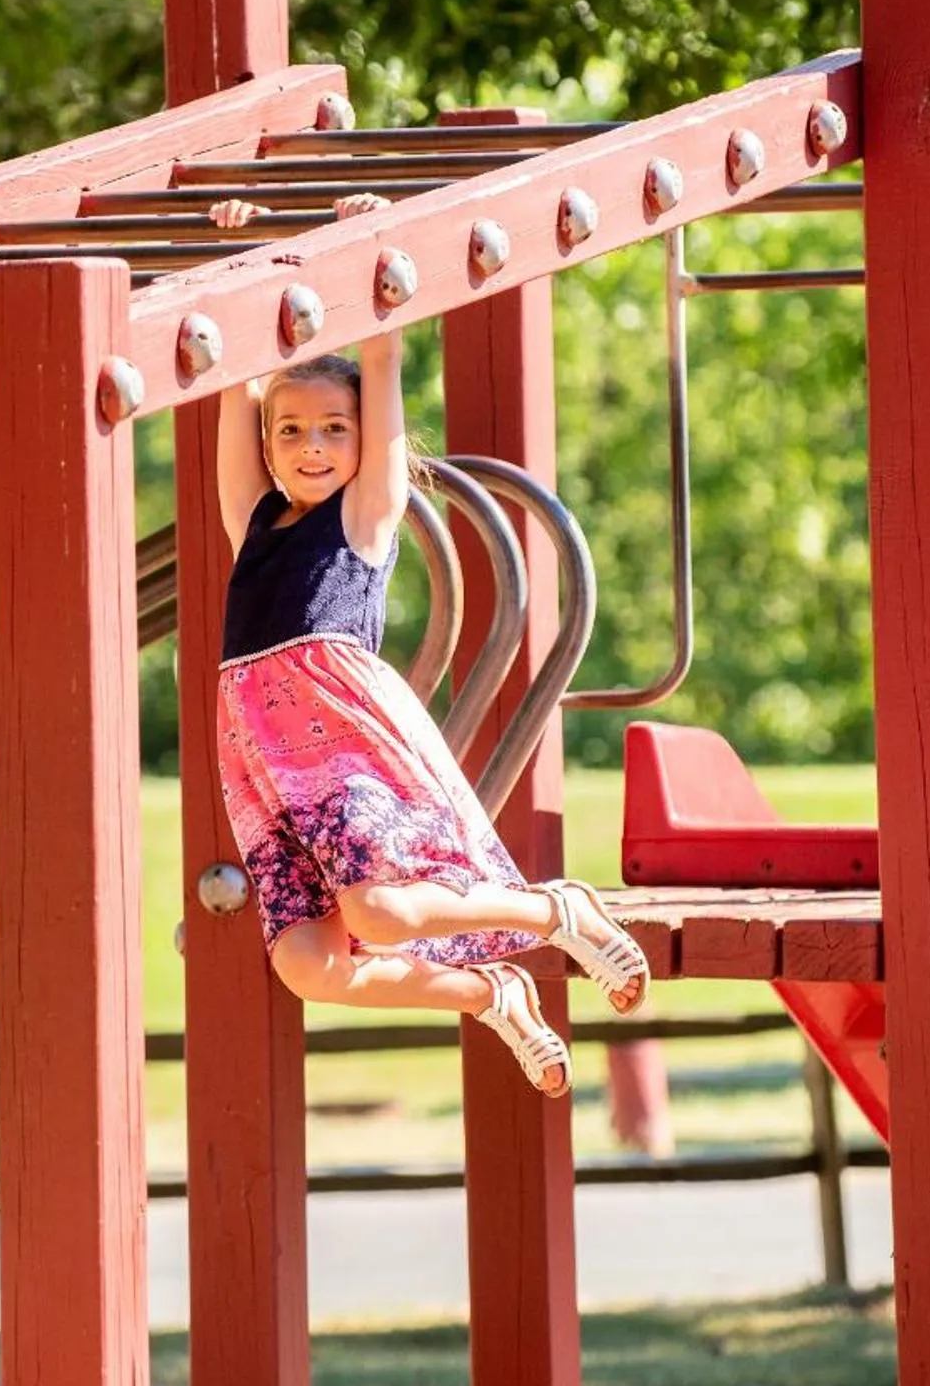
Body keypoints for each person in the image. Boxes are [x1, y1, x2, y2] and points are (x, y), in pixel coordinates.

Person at [206, 192, 650, 1096]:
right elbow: (234, 381)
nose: (312, 445)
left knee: (380, 909)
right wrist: (248, 249)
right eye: (291, 431)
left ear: (366, 442)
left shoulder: (366, 518)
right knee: (307, 965)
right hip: (259, 753)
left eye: (336, 429)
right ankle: (489, 996)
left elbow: (383, 352)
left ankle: (552, 909)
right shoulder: (255, 520)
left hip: (338, 739)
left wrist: (374, 246)